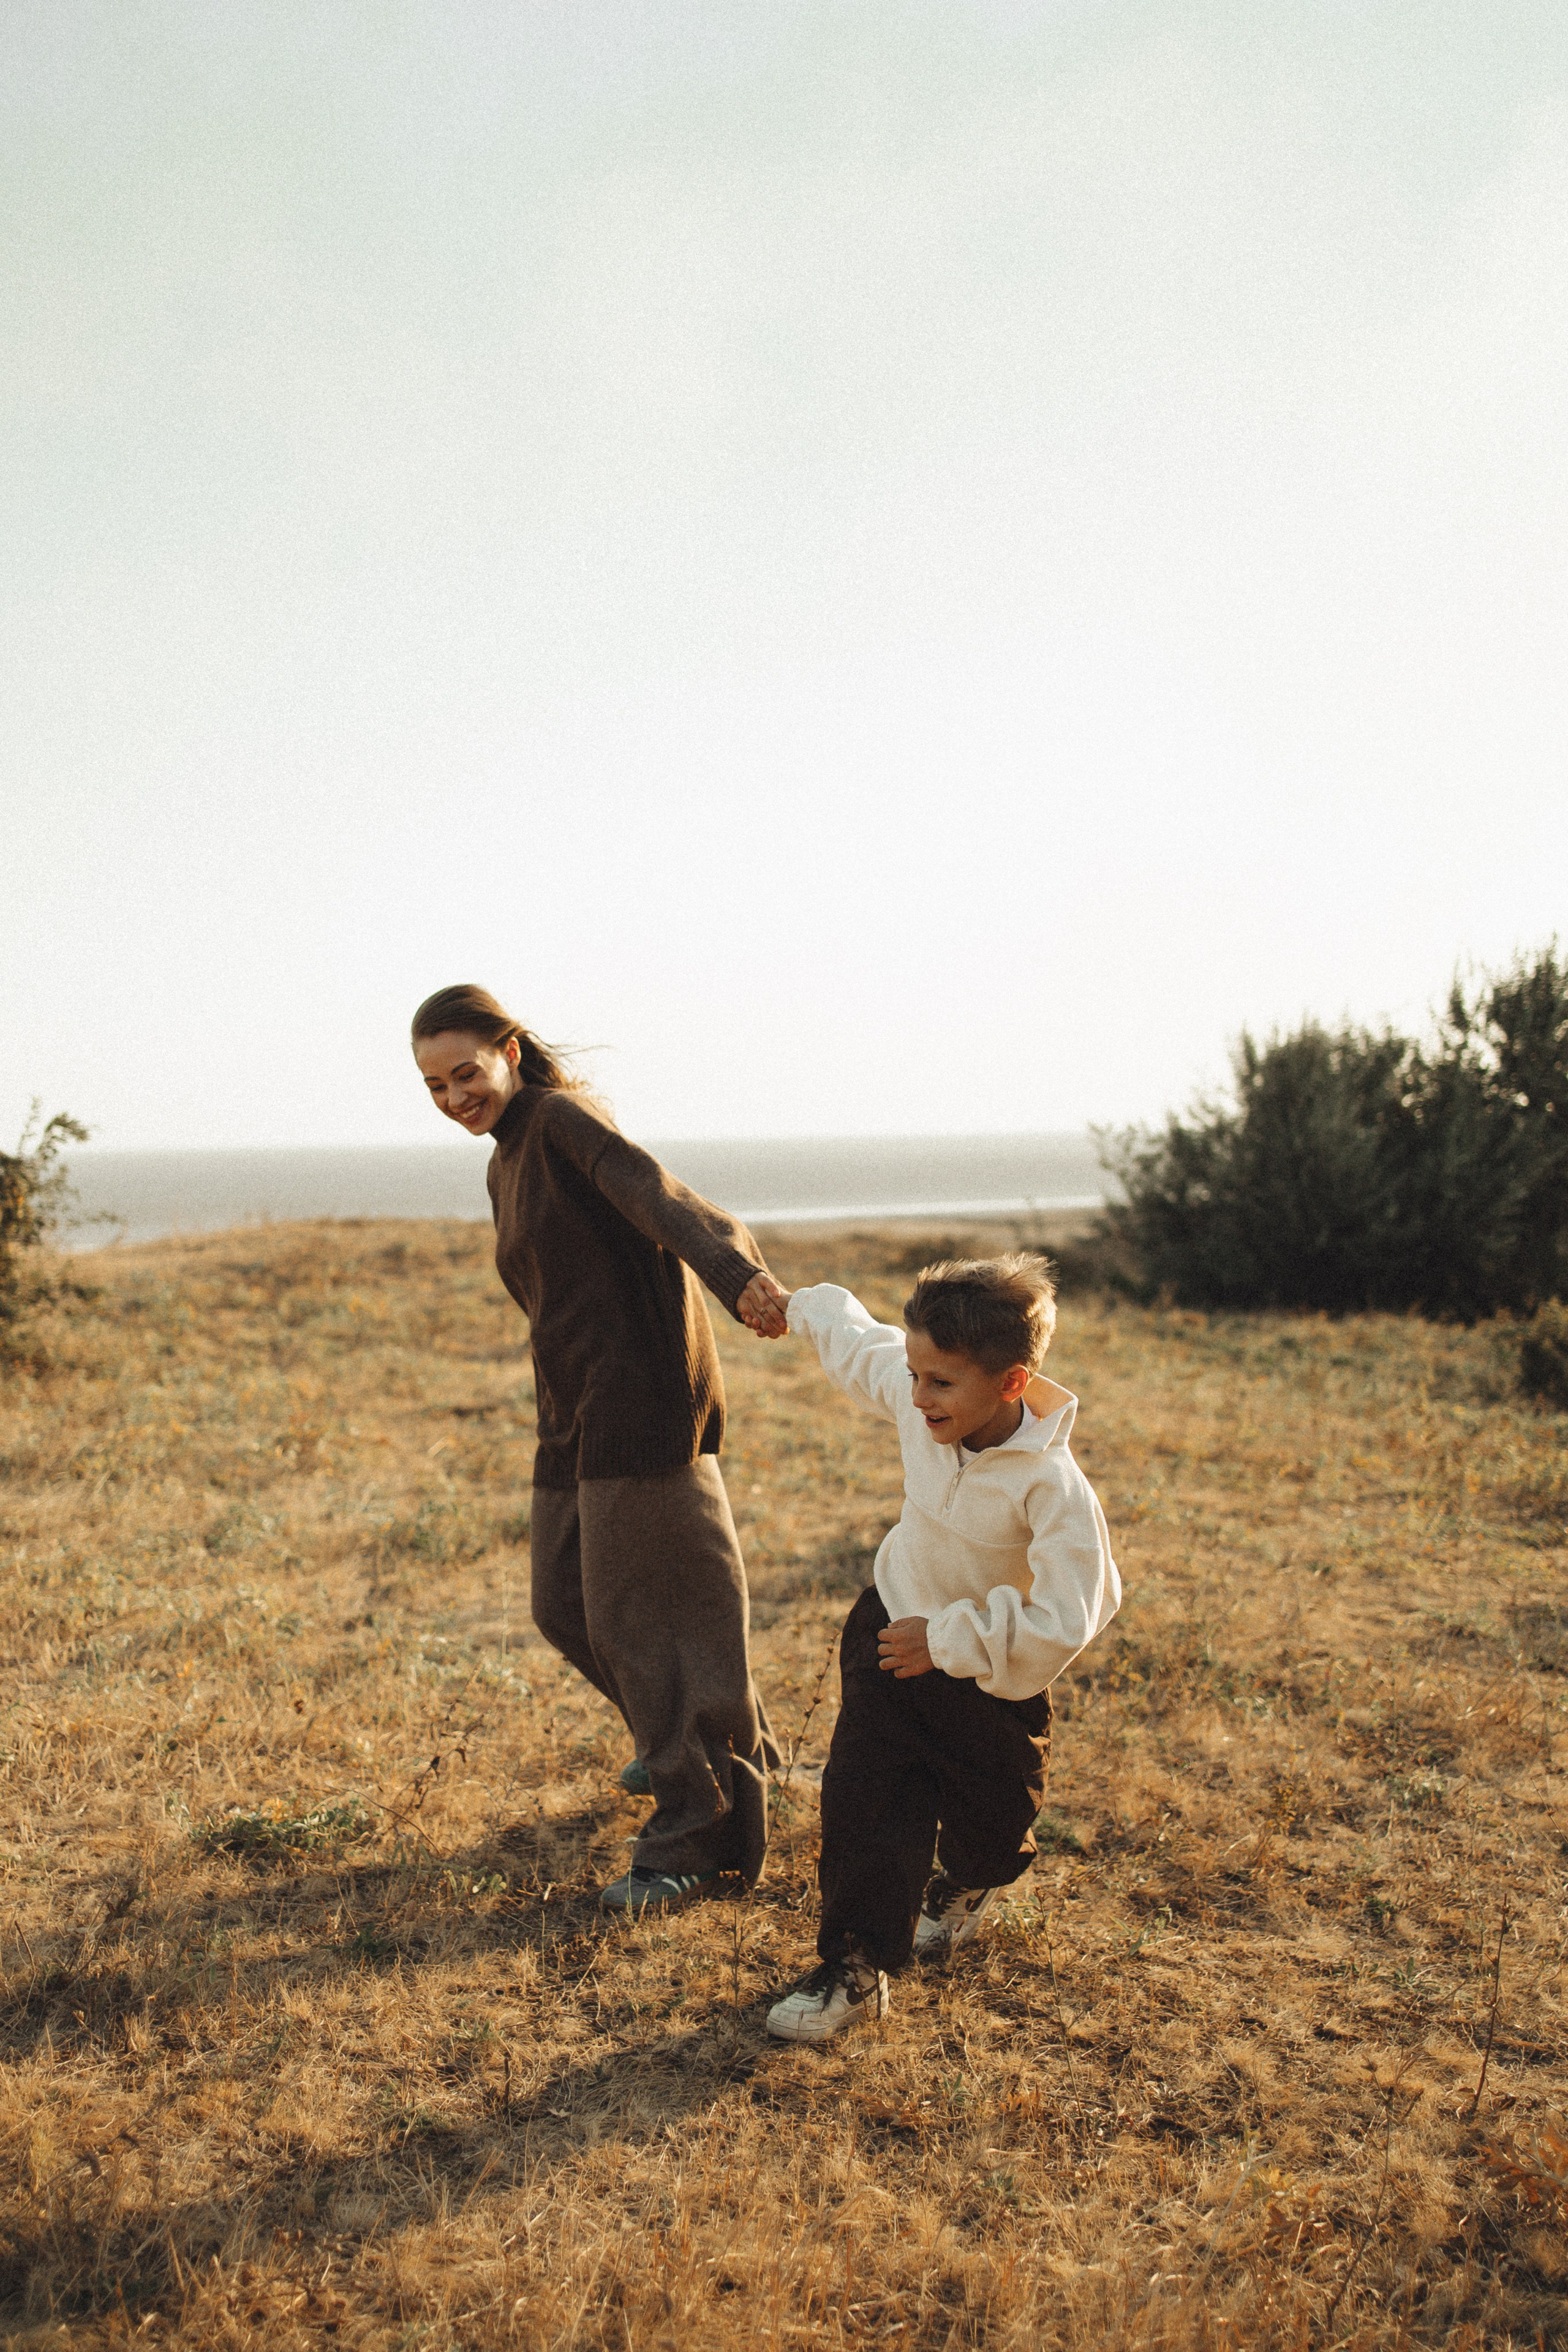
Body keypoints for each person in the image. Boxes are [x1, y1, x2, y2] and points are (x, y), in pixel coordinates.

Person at [410, 984, 787, 1915]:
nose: (455, 1097)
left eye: (467, 1072)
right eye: (434, 1086)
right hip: (573, 1412)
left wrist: (736, 1274)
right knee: (563, 1605)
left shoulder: (560, 1120)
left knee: (651, 1623)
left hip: (642, 1402)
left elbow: (661, 1199)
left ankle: (698, 1833)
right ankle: (712, 1746)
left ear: (510, 1051)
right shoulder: (505, 1160)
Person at [742, 1254, 1120, 2042]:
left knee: (993, 1824)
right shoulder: (922, 1397)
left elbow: (1068, 1616)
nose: (917, 1397)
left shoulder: (1052, 1487)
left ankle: (971, 1882)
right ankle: (856, 1964)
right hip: (891, 1634)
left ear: (1011, 1383)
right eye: (916, 1376)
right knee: (866, 1796)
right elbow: (865, 1346)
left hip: (988, 1676)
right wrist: (797, 1306)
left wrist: (949, 1640)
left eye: (940, 1383)